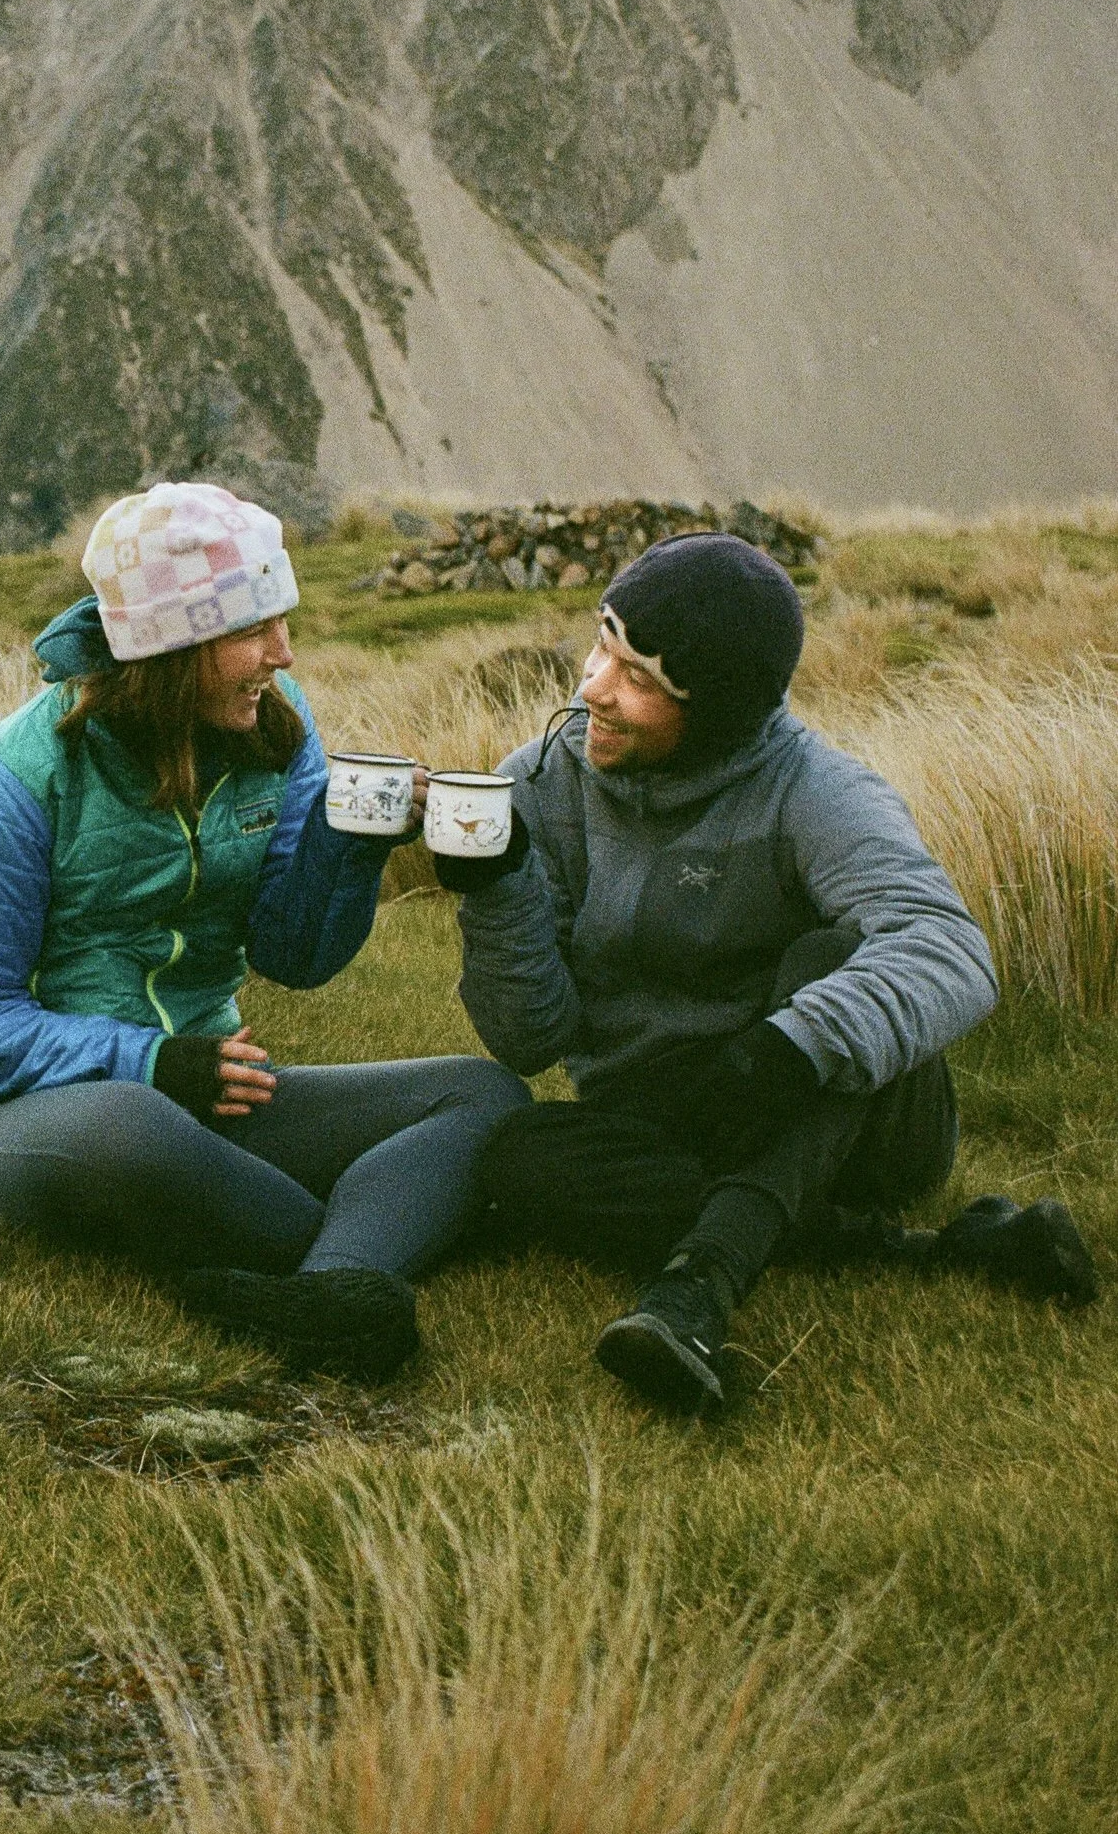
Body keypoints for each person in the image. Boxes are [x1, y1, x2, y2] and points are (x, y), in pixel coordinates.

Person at [455, 531, 1098, 1415]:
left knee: (828, 962)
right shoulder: (536, 784)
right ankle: (940, 1249)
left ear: (715, 710)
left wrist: (787, 1049)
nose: (595, 689)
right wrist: (495, 892)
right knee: (518, 1160)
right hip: (671, 1116)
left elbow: (947, 947)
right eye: (603, 646)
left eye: (639, 678)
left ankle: (696, 1290)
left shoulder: (815, 790)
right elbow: (529, 1039)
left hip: (837, 1117)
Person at [0, 482, 526, 1378]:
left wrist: (352, 846)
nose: (283, 654)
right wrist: (153, 1064)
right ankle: (363, 1237)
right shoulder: (10, 776)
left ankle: (326, 1287)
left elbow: (294, 956)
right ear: (170, 645)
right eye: (253, 630)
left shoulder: (275, 727)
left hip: (219, 1094)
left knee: (484, 1094)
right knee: (132, 1123)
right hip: (60, 1119)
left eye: (282, 621)